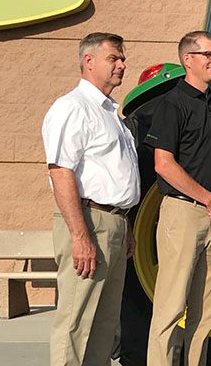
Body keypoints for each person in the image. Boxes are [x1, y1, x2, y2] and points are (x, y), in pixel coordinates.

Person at [42, 32, 140, 365]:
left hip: (112, 223)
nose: (122, 64)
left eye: (122, 58)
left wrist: (123, 225)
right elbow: (60, 172)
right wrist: (80, 234)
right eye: (114, 58)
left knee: (104, 324)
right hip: (88, 222)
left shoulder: (111, 113)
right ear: (89, 61)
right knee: (75, 321)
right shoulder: (72, 107)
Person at [144, 31, 211, 366]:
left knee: (208, 311)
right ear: (188, 60)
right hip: (184, 215)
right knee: (171, 308)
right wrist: (209, 198)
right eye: (208, 55)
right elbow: (163, 164)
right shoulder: (172, 104)